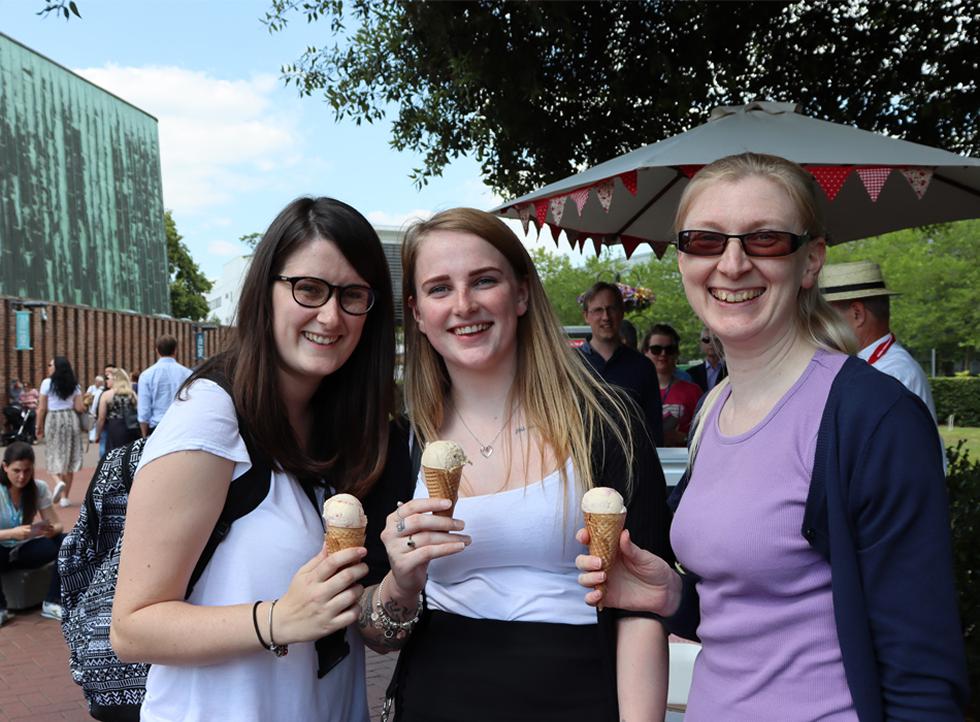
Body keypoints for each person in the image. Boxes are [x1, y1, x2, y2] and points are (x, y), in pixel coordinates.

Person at [576, 152, 968, 720]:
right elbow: (747, 612)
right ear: (683, 260)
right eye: (705, 240)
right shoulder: (715, 408)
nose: (732, 264)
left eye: (764, 240)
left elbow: (923, 680)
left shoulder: (872, 417)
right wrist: (672, 596)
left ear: (811, 262)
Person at [111, 197, 413, 722]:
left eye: (353, 296)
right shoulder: (211, 415)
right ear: (266, 291)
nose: (331, 315)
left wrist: (402, 585)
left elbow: (366, 626)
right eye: (310, 289)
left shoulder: (354, 429)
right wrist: (278, 619)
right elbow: (132, 628)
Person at [384, 208, 673, 721]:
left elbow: (640, 608)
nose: (464, 304)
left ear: (520, 293)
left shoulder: (607, 422)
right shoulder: (404, 439)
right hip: (436, 697)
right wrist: (400, 583)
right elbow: (378, 629)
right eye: (439, 289)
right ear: (418, 313)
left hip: (580, 694)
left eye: (484, 280)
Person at [819, 259, 938, 421]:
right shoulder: (883, 367)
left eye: (824, 317)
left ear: (857, 314)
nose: (818, 327)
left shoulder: (891, 375)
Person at [577, 281, 664, 446]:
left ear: (622, 312)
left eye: (612, 309)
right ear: (586, 316)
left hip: (632, 466)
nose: (606, 317)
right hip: (583, 465)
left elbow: (653, 430)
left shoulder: (642, 367)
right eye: (598, 310)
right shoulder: (571, 365)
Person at [0, 442, 66, 625]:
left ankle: (53, 601)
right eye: (16, 470)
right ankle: (1, 608)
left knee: (68, 541)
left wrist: (51, 530)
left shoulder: (39, 488)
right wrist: (11, 533)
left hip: (22, 550)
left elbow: (58, 524)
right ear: (5, 467)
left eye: (27, 471)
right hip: (2, 551)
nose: (22, 477)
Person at [35, 357, 85, 508]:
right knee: (69, 458)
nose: (49, 367)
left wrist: (39, 426)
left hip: (54, 419)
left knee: (53, 454)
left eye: (50, 365)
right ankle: (65, 498)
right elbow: (79, 408)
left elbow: (42, 408)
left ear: (56, 367)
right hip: (70, 419)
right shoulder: (74, 385)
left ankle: (58, 481)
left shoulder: (46, 383)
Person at [642, 324, 703, 446]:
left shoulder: (693, 391)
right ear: (645, 352)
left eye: (669, 349)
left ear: (676, 353)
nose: (663, 354)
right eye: (656, 349)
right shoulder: (635, 390)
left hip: (681, 460)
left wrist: (685, 438)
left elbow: (704, 436)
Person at [137, 335, 192, 438]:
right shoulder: (187, 374)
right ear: (175, 350)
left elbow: (144, 410)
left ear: (157, 350)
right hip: (181, 427)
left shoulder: (146, 375)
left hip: (157, 427)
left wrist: (144, 434)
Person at [95, 367, 141, 453]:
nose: (106, 381)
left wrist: (98, 434)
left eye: (108, 378)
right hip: (132, 427)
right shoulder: (132, 394)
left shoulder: (106, 395)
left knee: (114, 454)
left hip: (115, 426)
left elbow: (101, 418)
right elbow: (139, 411)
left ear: (115, 379)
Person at [686, 326, 727, 392]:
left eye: (716, 339)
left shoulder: (731, 371)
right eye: (706, 340)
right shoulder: (691, 373)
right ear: (701, 344)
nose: (711, 343)